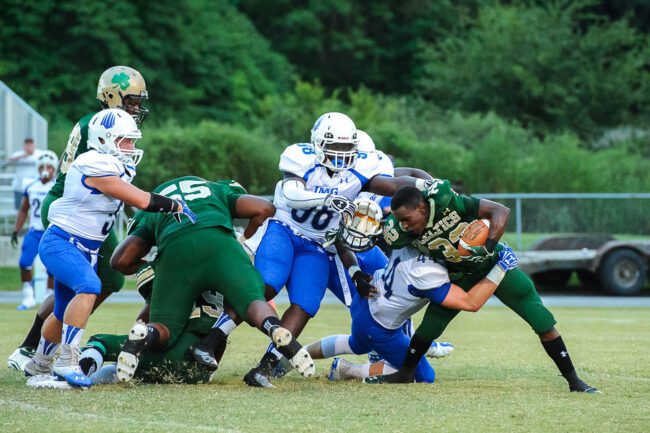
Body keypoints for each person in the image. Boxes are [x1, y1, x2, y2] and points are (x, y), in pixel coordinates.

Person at [192, 114, 423, 387]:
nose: (341, 155)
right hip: (285, 229)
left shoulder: (362, 167)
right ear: (317, 143)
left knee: (306, 304)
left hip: (317, 244)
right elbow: (290, 193)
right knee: (266, 284)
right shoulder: (300, 156)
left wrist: (426, 186)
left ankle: (264, 369)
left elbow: (393, 184)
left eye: (347, 148)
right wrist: (327, 198)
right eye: (334, 148)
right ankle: (212, 340)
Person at [367, 181, 599, 393]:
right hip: (458, 275)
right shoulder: (399, 229)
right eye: (401, 221)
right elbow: (375, 239)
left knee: (542, 320)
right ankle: (406, 374)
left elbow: (500, 211)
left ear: (421, 207)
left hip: (493, 263)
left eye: (407, 219)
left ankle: (574, 381)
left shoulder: (448, 202)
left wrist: (489, 246)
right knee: (428, 329)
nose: (405, 226)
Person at [23, 108, 195, 388]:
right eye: (125, 141)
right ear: (104, 140)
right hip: (62, 242)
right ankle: (67, 361)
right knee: (90, 286)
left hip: (85, 248)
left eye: (131, 141)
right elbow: (139, 199)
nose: (131, 147)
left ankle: (39, 363)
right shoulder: (93, 163)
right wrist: (174, 204)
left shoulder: (114, 165)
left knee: (61, 311)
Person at [7, 66, 149, 371]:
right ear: (112, 96)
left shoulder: (106, 121)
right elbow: (103, 183)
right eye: (132, 100)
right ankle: (38, 347)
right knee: (84, 283)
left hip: (83, 204)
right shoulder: (102, 125)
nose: (136, 106)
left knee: (104, 279)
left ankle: (50, 342)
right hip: (70, 206)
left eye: (139, 101)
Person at [108, 176, 314, 385]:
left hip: (175, 252)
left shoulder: (155, 204)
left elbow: (120, 261)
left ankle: (146, 334)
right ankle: (274, 328)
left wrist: (153, 264)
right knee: (252, 299)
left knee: (163, 327)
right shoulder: (216, 190)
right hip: (219, 243)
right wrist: (245, 240)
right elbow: (264, 208)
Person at [305, 198, 518, 382]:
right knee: (423, 375)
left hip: (367, 299)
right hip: (379, 327)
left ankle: (297, 354)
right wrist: (500, 268)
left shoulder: (409, 238)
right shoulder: (428, 274)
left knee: (356, 343)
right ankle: (349, 370)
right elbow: (470, 303)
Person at [9, 151, 58, 312]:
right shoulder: (30, 185)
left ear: (54, 168)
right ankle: (28, 297)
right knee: (24, 263)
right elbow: (24, 209)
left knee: (52, 267)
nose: (46, 170)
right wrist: (16, 229)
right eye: (43, 166)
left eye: (49, 167)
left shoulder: (57, 187)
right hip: (34, 231)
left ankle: (49, 297)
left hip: (50, 232)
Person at [7, 138, 42, 210]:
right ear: (24, 146)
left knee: (33, 208)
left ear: (34, 145)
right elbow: (8, 161)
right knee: (19, 208)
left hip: (34, 187)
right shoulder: (19, 154)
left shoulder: (39, 154)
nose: (29, 147)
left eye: (30, 145)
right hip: (19, 187)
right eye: (27, 145)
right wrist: (22, 156)